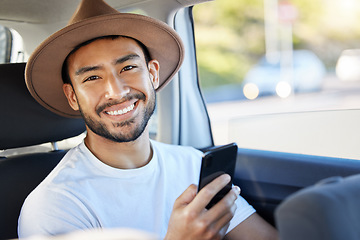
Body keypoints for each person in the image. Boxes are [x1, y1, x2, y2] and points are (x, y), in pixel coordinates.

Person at [18, 0, 278, 239]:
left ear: (153, 74)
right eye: (92, 78)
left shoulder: (192, 165)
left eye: (128, 68)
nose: (117, 91)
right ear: (72, 96)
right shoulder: (54, 206)